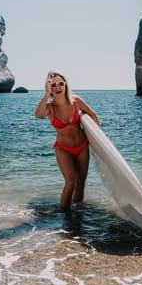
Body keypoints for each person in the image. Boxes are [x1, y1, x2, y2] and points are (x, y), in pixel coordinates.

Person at [35, 71, 100, 211]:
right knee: (71, 182)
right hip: (64, 149)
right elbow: (38, 115)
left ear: (65, 86)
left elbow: (93, 115)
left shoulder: (76, 101)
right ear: (49, 88)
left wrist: (99, 141)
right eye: (53, 85)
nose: (57, 87)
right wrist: (46, 94)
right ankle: (65, 217)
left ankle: (78, 213)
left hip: (82, 146)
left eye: (60, 83)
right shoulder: (50, 108)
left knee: (81, 183)